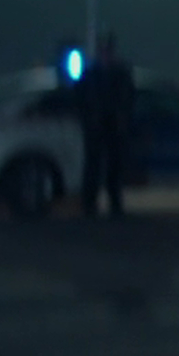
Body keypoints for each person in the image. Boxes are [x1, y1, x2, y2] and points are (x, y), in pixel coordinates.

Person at [74, 32, 136, 218]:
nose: (106, 54)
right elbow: (81, 100)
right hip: (96, 127)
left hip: (112, 126)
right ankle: (90, 204)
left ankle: (113, 204)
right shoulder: (92, 74)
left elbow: (128, 99)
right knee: (94, 166)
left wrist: (121, 118)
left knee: (113, 167)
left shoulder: (119, 73)